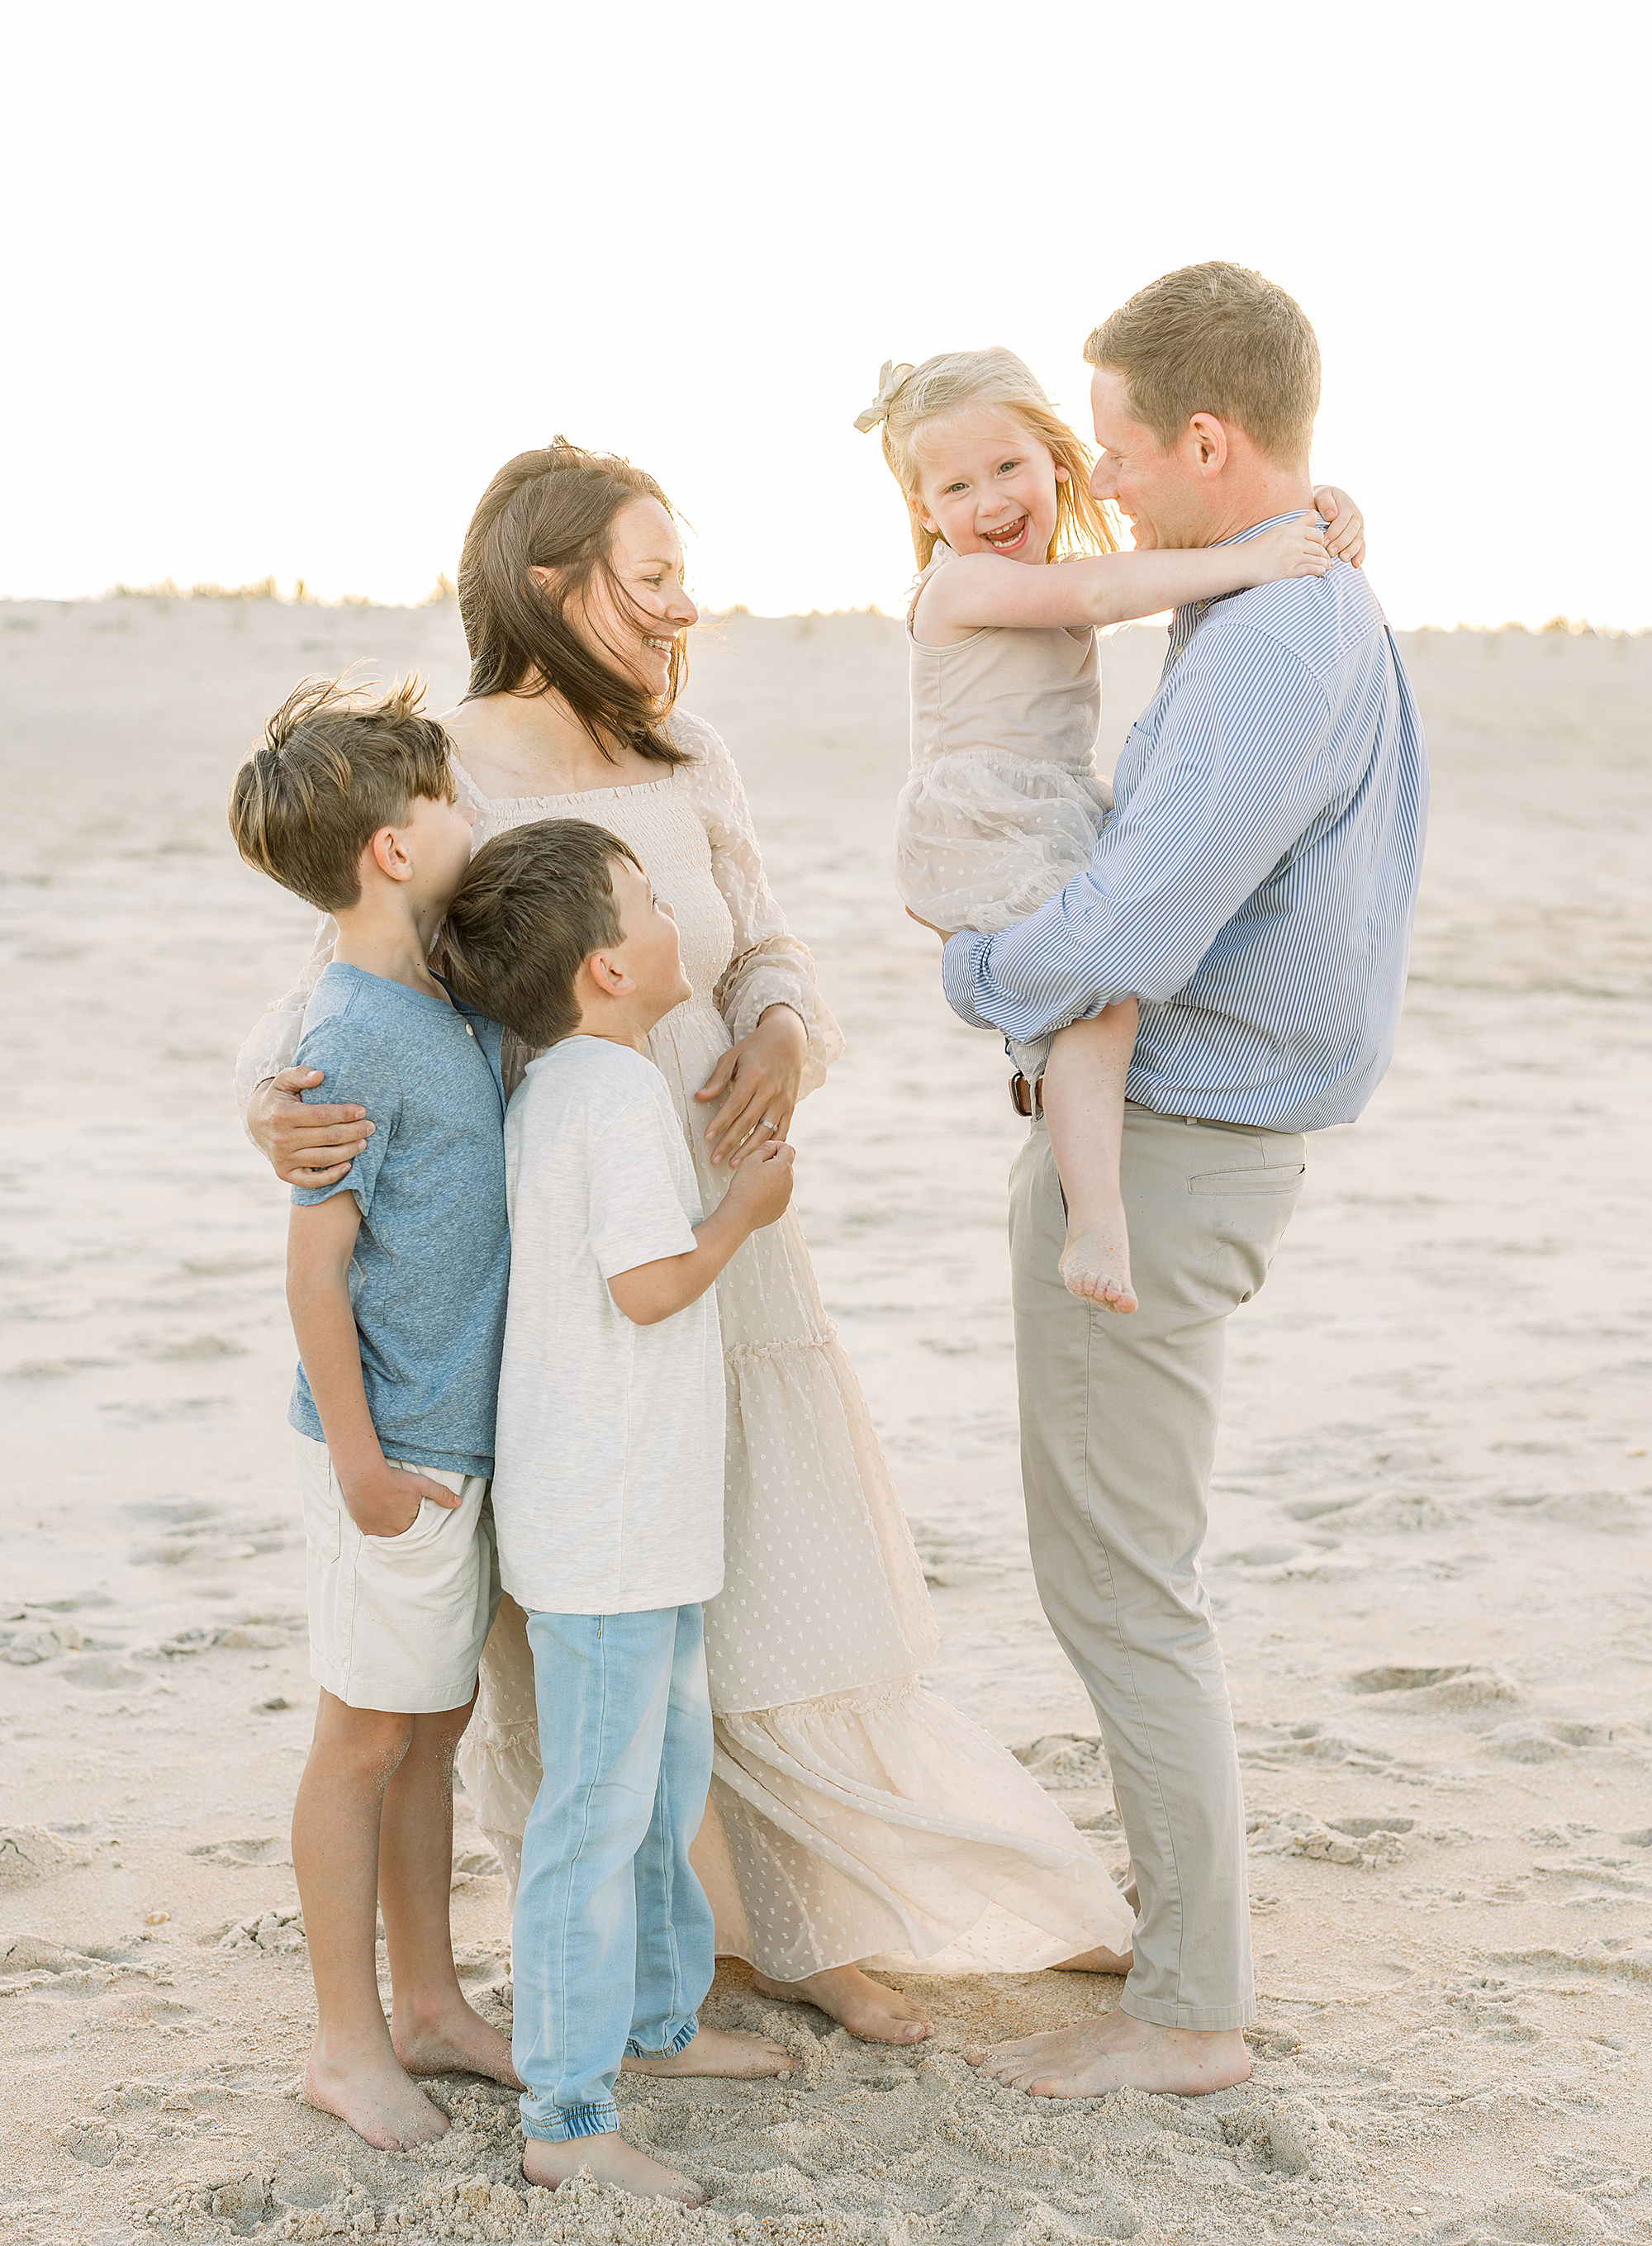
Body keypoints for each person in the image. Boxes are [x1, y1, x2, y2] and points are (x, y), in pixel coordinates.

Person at [237, 439, 1138, 2051]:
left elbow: (771, 947)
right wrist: (274, 1117)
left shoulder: (691, 750)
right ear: (548, 582)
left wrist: (781, 1038)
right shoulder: (442, 770)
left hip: (735, 1225)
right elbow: (330, 1000)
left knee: (770, 1587)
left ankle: (809, 1920)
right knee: (612, 1604)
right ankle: (701, 1945)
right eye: (651, 578)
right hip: (570, 1251)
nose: (683, 606)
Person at [922, 263, 1427, 2100]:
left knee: (1125, 1587)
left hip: (1171, 1144)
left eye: (1125, 448)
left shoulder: (1274, 641)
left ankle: (1190, 2007)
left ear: (1209, 438)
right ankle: (1180, 1962)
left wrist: (970, 973)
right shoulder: (1307, 591)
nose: (1106, 482)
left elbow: (1133, 917)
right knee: (1135, 1574)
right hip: (1203, 1136)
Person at [438, 818, 796, 2203]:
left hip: (634, 1516)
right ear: (604, 967)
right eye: (652, 904)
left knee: (662, 1782)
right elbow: (649, 1284)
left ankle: (656, 2024)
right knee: (596, 1816)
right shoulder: (607, 1092)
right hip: (605, 1529)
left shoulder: (577, 1082)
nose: (673, 922)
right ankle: (569, 2120)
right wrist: (746, 1211)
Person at [857, 347, 1358, 1309]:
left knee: (1100, 991)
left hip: (1042, 801)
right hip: (986, 817)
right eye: (955, 485)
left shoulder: (1054, 565)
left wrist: (1317, 509)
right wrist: (1256, 558)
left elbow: (1139, 549)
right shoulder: (960, 585)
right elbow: (1101, 595)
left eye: (1008, 467)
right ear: (925, 513)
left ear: (1057, 463)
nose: (990, 499)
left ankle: (1086, 1175)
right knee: (1101, 992)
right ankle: (1095, 1218)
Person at [225, 680, 517, 2151]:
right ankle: (347, 2042)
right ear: (396, 848)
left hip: (451, 1445)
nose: (471, 821)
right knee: (359, 1741)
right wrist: (358, 1462)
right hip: (392, 1453)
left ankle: (433, 2005)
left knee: (434, 1728)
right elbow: (315, 1258)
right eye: (449, 800)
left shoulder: (437, 999)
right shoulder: (345, 1034)